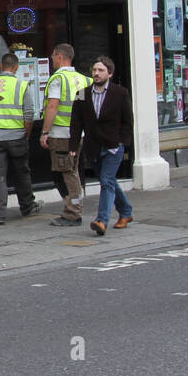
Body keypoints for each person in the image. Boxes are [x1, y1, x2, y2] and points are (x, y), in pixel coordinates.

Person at [68, 56, 134, 236]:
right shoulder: (82, 93)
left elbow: (128, 121)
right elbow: (76, 122)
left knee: (105, 181)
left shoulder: (120, 93)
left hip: (113, 146)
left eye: (101, 70)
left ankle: (101, 220)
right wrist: (73, 145)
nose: (96, 74)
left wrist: (124, 142)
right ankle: (126, 212)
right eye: (95, 70)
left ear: (110, 74)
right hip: (93, 146)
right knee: (110, 181)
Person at [0, 53, 39, 224]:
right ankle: (27, 207)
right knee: (22, 173)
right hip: (17, 136)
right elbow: (29, 114)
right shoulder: (22, 85)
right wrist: (26, 135)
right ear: (16, 67)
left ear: (0, 66)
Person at [40, 43, 92, 227]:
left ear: (60, 57)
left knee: (66, 173)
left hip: (61, 134)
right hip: (77, 135)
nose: (52, 59)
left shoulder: (58, 79)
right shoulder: (83, 80)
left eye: (53, 56)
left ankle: (73, 212)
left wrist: (45, 132)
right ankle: (74, 207)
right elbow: (84, 109)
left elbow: (53, 106)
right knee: (71, 171)